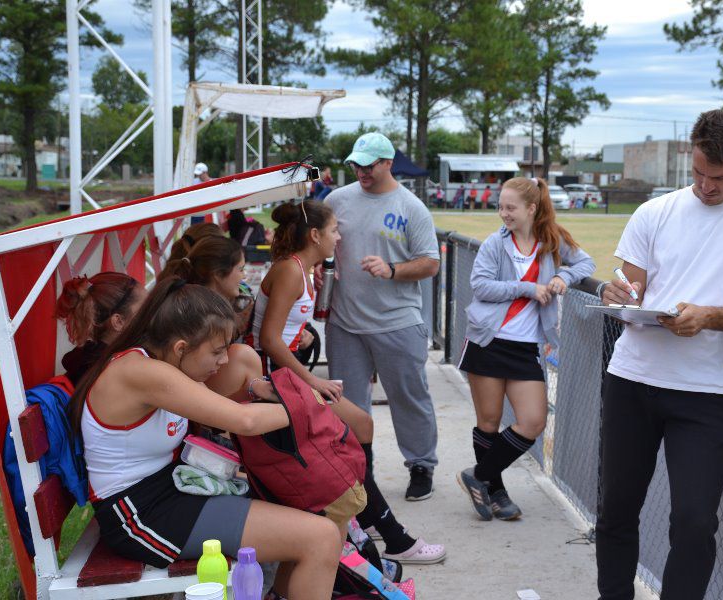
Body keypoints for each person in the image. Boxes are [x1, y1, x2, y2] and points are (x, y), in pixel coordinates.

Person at [595, 108, 723, 600]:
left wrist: (707, 315)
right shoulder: (654, 212)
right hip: (631, 377)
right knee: (617, 509)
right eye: (699, 174)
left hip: (705, 392)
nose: (707, 186)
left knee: (693, 522)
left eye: (721, 178)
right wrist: (617, 293)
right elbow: (629, 285)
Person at [70, 278, 341, 600]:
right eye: (217, 351)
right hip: (139, 514)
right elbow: (246, 421)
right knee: (320, 537)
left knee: (308, 509)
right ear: (181, 347)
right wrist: (310, 404)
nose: (224, 361)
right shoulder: (142, 372)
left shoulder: (155, 362)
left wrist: (257, 389)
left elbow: (219, 404)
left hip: (170, 491)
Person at [252, 199, 446, 564]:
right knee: (347, 440)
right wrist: (314, 381)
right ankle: (394, 538)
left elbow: (279, 328)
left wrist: (305, 336)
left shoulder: (302, 269)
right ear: (314, 235)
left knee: (362, 424)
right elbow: (268, 339)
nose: (339, 237)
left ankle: (366, 513)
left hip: (286, 376)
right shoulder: (291, 271)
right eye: (334, 231)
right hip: (273, 382)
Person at [457, 177, 594, 521]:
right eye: (501, 206)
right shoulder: (494, 244)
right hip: (488, 342)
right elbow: (481, 287)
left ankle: (479, 476)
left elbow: (586, 263)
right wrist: (527, 288)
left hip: (525, 348)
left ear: (531, 209)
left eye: (510, 207)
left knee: (532, 421)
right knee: (488, 423)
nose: (503, 213)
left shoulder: (552, 241)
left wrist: (563, 278)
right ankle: (497, 493)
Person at [322, 132, 441, 501]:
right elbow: (319, 242)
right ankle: (359, 472)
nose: (361, 171)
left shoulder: (411, 207)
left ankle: (421, 465)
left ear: (388, 163)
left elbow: (431, 263)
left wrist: (392, 269)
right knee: (347, 403)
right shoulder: (337, 199)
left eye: (369, 165)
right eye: (356, 164)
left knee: (409, 397)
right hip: (345, 323)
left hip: (397, 322)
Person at [56, 273, 147, 386]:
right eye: (146, 308)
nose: (153, 313)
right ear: (118, 322)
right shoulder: (114, 372)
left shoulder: (86, 362)